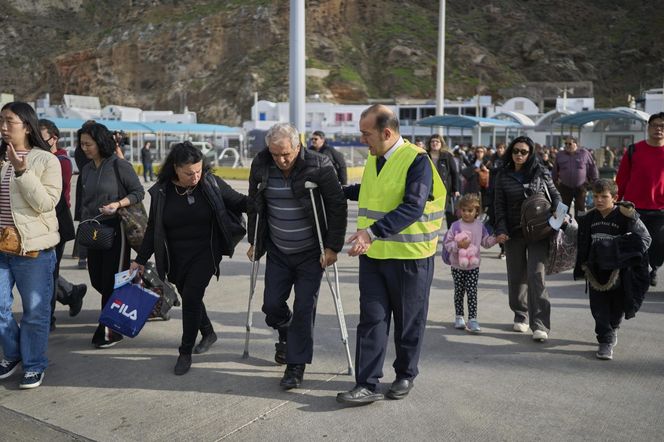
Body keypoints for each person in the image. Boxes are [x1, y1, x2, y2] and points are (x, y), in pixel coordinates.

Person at [337, 105, 445, 405]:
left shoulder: (417, 161)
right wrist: (340, 191)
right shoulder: (376, 158)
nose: (362, 140)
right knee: (371, 320)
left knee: (409, 320)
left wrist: (369, 233)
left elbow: (413, 205)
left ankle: (405, 374)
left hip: (410, 256)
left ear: (387, 133)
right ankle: (366, 384)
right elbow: (374, 191)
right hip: (375, 256)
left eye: (366, 134)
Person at [131, 142, 248, 375]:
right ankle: (208, 332)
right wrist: (140, 260)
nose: (195, 177)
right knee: (189, 295)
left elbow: (241, 202)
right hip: (175, 256)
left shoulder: (210, 183)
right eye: (188, 173)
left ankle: (184, 352)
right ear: (175, 169)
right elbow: (154, 227)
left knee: (192, 295)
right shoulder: (162, 191)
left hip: (206, 252)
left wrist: (268, 199)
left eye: (198, 170)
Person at [247, 123, 346, 390]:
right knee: (271, 305)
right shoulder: (262, 164)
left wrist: (333, 247)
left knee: (304, 308)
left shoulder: (319, 164)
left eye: (286, 154)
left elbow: (337, 205)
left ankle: (295, 366)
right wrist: (254, 241)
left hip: (311, 253)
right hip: (278, 249)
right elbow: (254, 203)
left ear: (298, 146)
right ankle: (287, 331)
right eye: (275, 154)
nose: (280, 160)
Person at [0, 102, 62, 389]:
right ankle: (13, 354)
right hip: (1, 248)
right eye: (1, 121)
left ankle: (34, 364)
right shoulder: (0, 158)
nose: (3, 127)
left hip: (32, 250)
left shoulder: (46, 161)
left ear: (26, 125)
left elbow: (46, 204)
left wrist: (23, 171)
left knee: (35, 311)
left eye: (9, 122)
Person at [78, 122, 144, 349]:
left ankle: (110, 330)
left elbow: (138, 192)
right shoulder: (86, 169)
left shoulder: (118, 165)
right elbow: (83, 204)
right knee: (98, 279)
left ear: (100, 143)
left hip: (116, 230)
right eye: (82, 144)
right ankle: (134, 291)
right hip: (93, 230)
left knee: (112, 279)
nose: (84, 148)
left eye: (89, 144)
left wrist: (117, 204)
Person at [574, 179, 651, 360]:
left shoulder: (626, 217)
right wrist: (564, 224)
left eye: (604, 197)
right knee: (598, 308)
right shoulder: (589, 217)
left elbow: (645, 240)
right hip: (595, 271)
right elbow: (578, 238)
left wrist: (621, 250)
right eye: (595, 196)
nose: (599, 200)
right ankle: (605, 341)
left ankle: (613, 327)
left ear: (615, 198)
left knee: (617, 307)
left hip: (619, 272)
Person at [493, 136, 561, 342]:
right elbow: (498, 206)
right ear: (510, 153)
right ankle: (520, 314)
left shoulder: (541, 171)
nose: (519, 155)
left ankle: (539, 323)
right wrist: (501, 230)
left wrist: (560, 218)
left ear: (531, 154)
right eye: (515, 151)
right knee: (516, 276)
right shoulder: (503, 175)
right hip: (513, 232)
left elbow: (556, 196)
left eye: (524, 152)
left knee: (536, 275)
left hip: (540, 232)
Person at [38, 119, 87, 328]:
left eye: (41, 137)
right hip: (38, 222)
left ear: (53, 138)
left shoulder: (61, 162)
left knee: (48, 273)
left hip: (56, 221)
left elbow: (51, 191)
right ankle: (71, 293)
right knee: (43, 272)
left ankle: (47, 318)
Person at [616, 112, 664, 287]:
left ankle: (654, 267)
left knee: (658, 243)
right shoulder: (634, 150)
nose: (658, 129)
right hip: (633, 207)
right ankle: (641, 271)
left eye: (662, 126)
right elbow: (622, 179)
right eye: (655, 125)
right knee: (636, 242)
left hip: (660, 208)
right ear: (648, 128)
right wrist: (615, 201)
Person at [443, 194, 497, 333]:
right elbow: (447, 244)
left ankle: (472, 319)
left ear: (476, 212)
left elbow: (485, 242)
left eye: (470, 211)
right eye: (464, 210)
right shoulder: (455, 226)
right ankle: (459, 316)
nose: (466, 213)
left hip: (473, 266)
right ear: (459, 210)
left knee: (472, 292)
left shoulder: (480, 226)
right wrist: (458, 245)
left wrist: (496, 239)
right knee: (459, 291)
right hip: (457, 265)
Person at [552, 137, 598, 217]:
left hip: (581, 187)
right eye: (565, 143)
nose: (567, 145)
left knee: (580, 209)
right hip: (564, 187)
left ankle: (581, 227)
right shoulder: (560, 155)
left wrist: (595, 181)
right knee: (562, 209)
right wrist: (554, 181)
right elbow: (555, 169)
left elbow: (592, 167)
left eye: (570, 143)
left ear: (576, 144)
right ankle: (559, 228)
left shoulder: (584, 153)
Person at [426, 134, 460, 229]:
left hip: (445, 190)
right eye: (432, 141)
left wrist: (456, 189)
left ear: (441, 144)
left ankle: (452, 233)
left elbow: (454, 173)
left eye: (437, 141)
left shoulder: (447, 156)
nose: (434, 143)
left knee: (448, 213)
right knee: (431, 213)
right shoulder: (424, 155)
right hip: (428, 189)